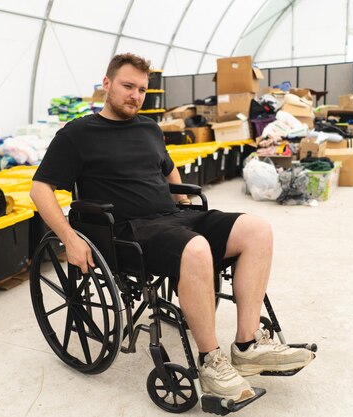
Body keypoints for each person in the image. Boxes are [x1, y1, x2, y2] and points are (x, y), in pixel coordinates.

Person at [30, 53, 314, 403]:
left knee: (257, 229)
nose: (135, 95)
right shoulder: (77, 134)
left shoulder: (149, 128)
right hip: (126, 231)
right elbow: (39, 189)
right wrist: (69, 239)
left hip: (172, 218)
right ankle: (210, 362)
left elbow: (168, 170)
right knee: (195, 248)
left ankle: (247, 344)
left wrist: (183, 205)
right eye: (127, 86)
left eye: (142, 90)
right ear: (106, 84)